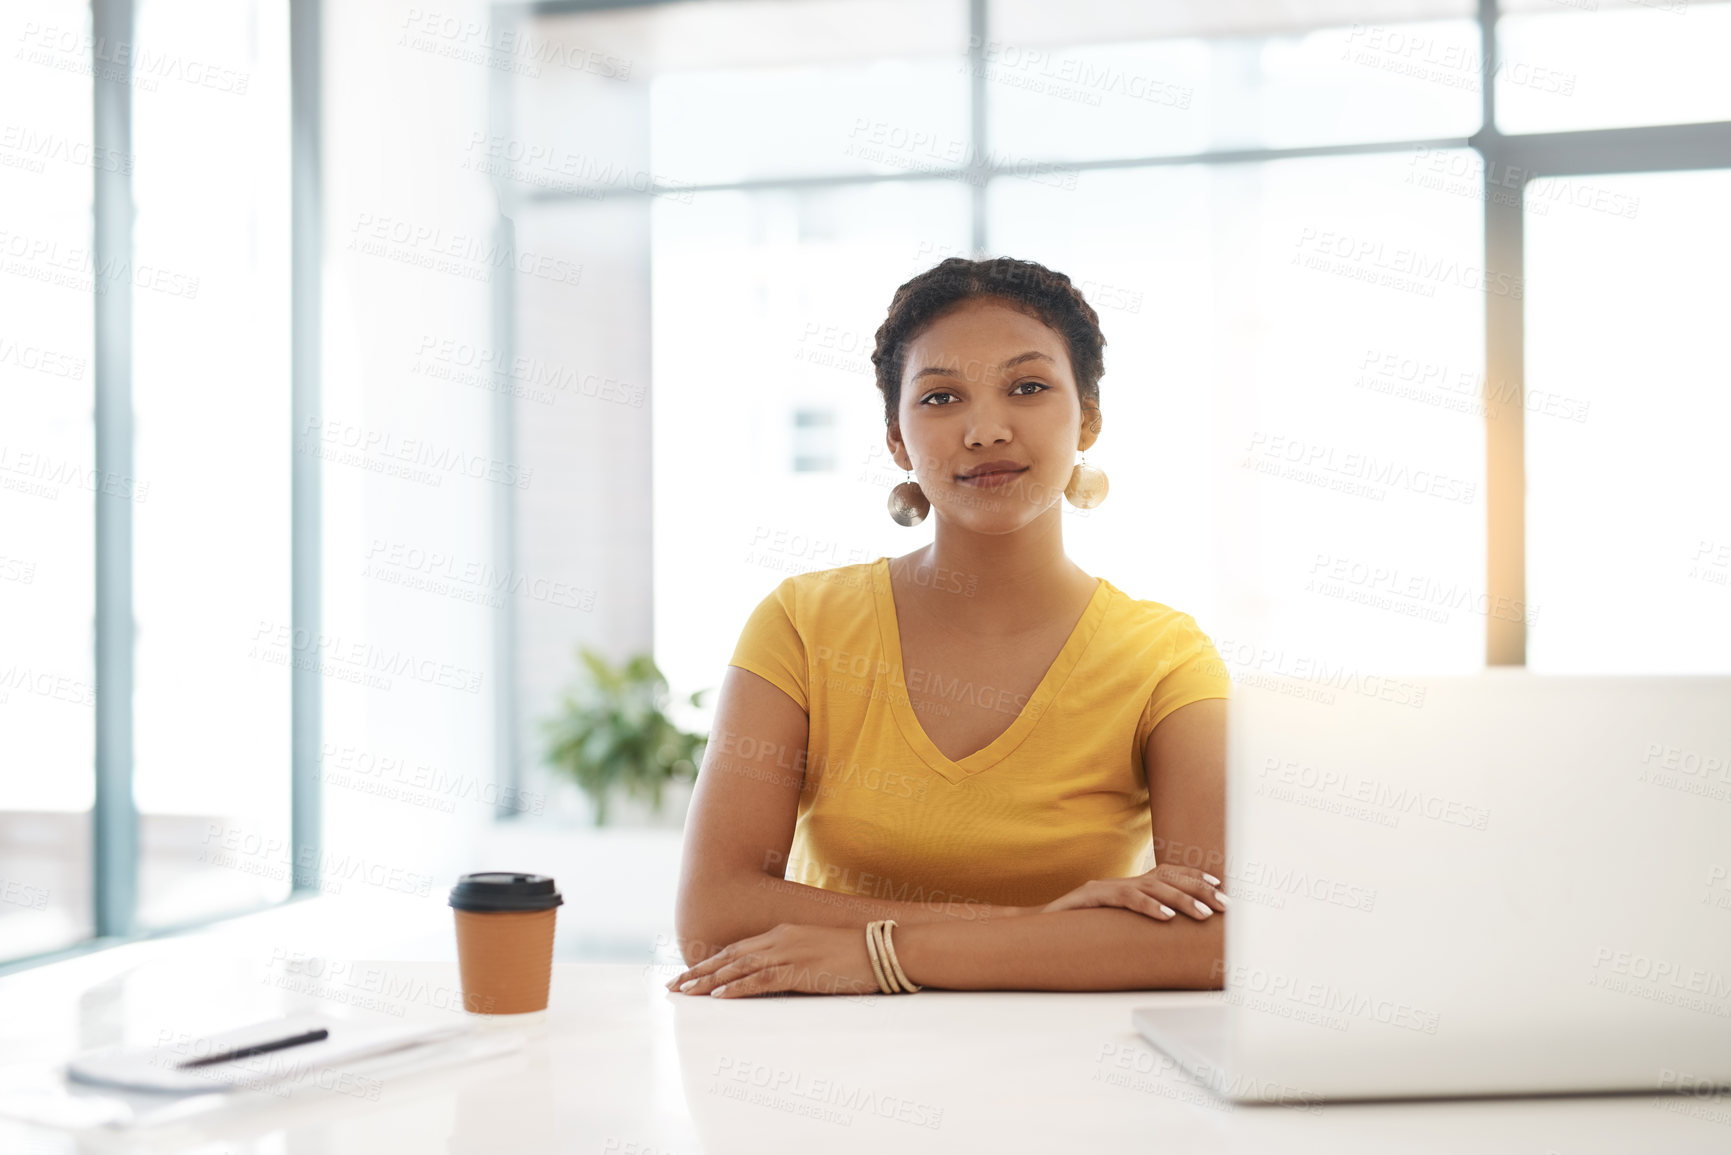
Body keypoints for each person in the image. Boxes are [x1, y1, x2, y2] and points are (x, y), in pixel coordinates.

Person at [668, 257, 1232, 998]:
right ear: (897, 440)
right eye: (939, 397)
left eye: (1027, 387)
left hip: (1070, 1086)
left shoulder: (1165, 656)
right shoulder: (801, 623)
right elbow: (716, 914)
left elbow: (1222, 936)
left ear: (1087, 417)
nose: (986, 429)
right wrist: (1042, 928)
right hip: (831, 1077)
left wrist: (879, 956)